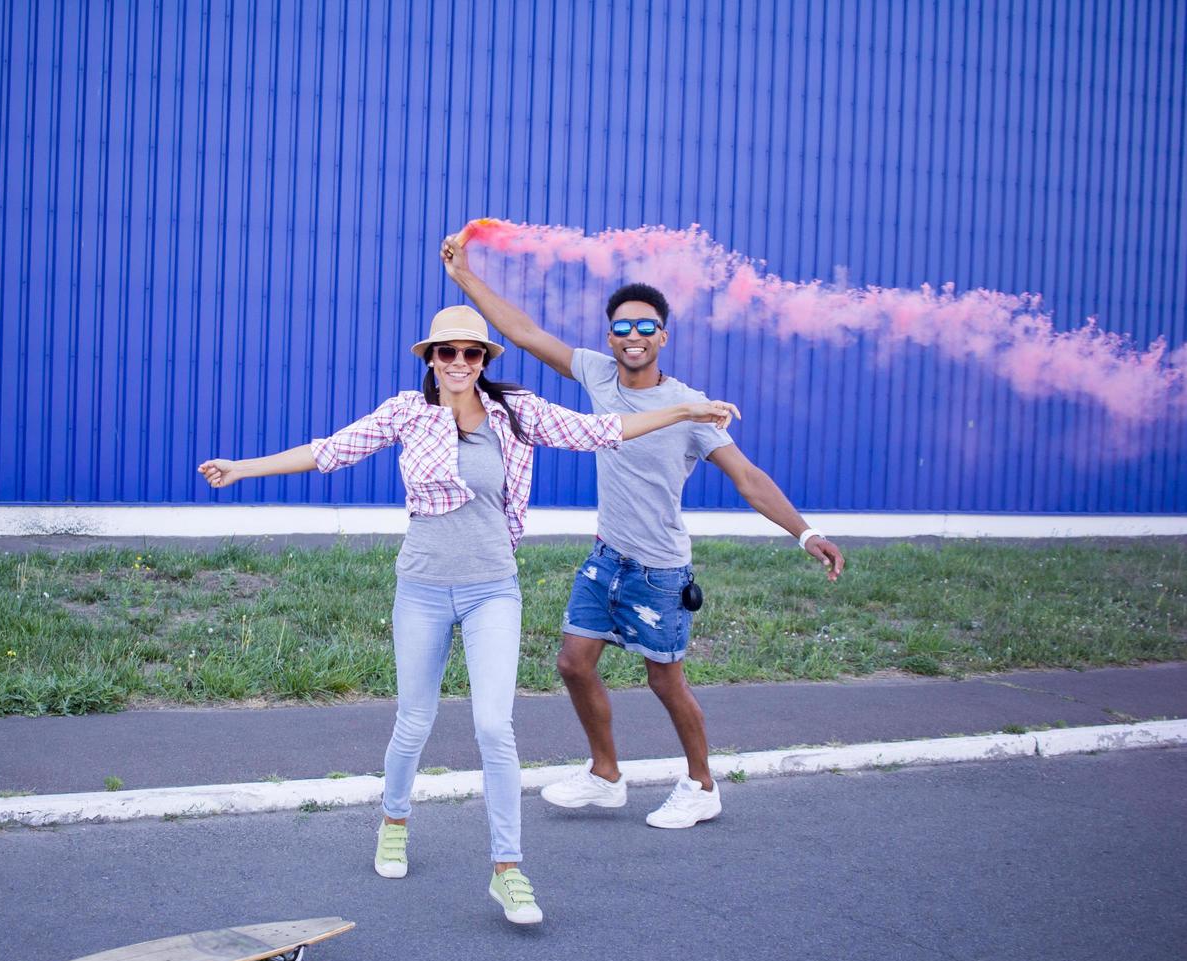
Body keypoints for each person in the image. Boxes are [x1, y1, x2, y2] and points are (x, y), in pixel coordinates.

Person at [199, 305, 738, 923]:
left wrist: (687, 410)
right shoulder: (408, 412)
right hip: (423, 588)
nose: (459, 363)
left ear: (484, 361)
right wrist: (243, 468)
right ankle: (394, 821)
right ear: (430, 359)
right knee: (414, 721)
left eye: (472, 353)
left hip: (492, 590)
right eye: (447, 353)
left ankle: (508, 869)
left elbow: (603, 431)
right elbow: (329, 453)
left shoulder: (516, 413)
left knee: (493, 728)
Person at [442, 235, 846, 830]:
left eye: (646, 328)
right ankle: (606, 776)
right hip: (607, 558)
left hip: (660, 571)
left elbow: (748, 477)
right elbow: (524, 333)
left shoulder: (690, 406)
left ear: (663, 336)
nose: (634, 337)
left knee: (664, 680)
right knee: (574, 663)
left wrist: (806, 533)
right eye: (623, 328)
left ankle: (702, 785)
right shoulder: (597, 374)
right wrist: (465, 277)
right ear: (610, 337)